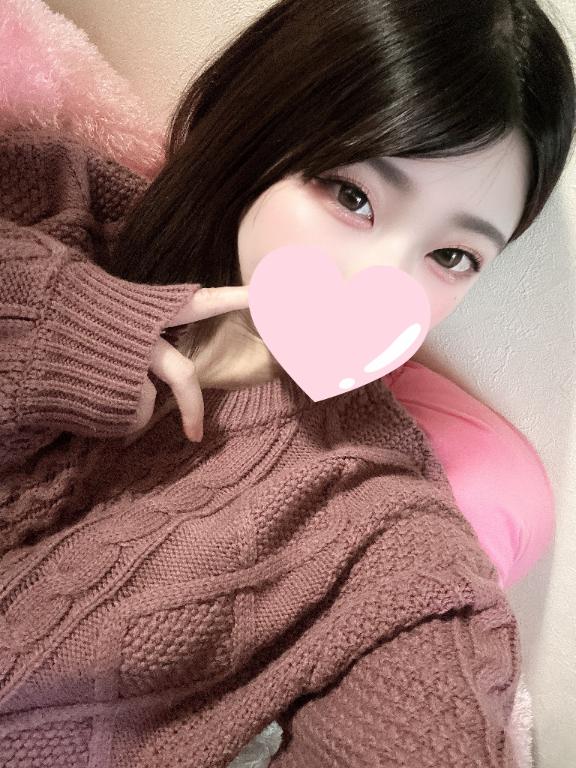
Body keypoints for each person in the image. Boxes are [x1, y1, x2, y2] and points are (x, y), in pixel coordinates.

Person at [0, 1, 573, 766]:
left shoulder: (377, 527)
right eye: (353, 195)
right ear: (261, 128)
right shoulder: (50, 201)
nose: (380, 279)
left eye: (452, 257)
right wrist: (73, 329)